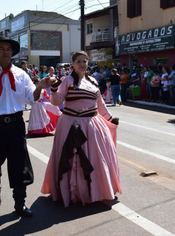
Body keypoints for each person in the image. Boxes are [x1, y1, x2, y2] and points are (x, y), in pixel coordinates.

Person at [0, 36, 57, 217]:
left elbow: (30, 98)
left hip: (17, 124)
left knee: (19, 164)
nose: (5, 52)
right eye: (1, 48)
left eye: (8, 49)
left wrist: (40, 86)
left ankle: (20, 202)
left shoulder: (21, 74)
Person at [41, 51, 122, 207]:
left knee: (95, 159)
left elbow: (100, 105)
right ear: (72, 64)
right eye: (78, 61)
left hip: (92, 125)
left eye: (84, 61)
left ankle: (96, 191)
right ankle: (74, 193)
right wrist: (54, 90)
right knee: (72, 158)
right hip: (70, 124)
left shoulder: (92, 81)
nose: (82, 64)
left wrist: (110, 119)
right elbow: (57, 102)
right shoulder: (66, 80)